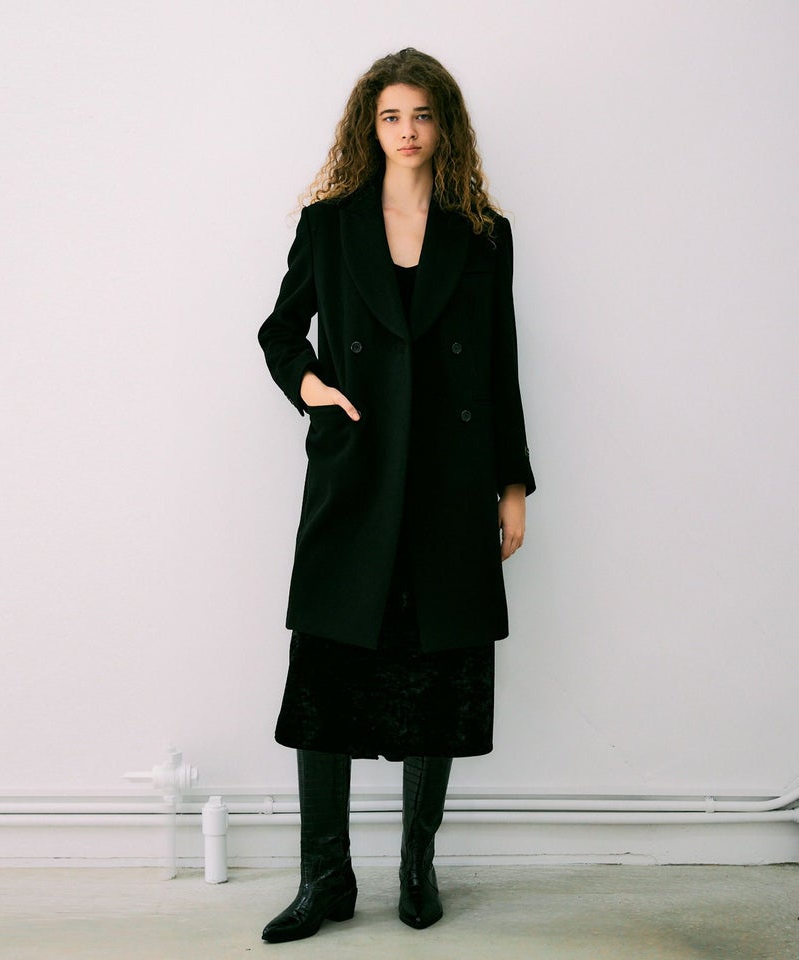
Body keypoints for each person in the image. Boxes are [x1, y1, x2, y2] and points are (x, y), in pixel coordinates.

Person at [256, 47, 535, 943]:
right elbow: (279, 330)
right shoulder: (330, 225)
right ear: (368, 127)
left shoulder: (482, 232)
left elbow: (500, 365)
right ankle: (324, 878)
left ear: (443, 124)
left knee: (437, 672)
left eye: (421, 115)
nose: (406, 131)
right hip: (359, 471)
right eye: (390, 116)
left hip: (451, 479)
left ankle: (417, 867)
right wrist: (313, 388)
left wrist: (513, 484)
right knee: (326, 673)